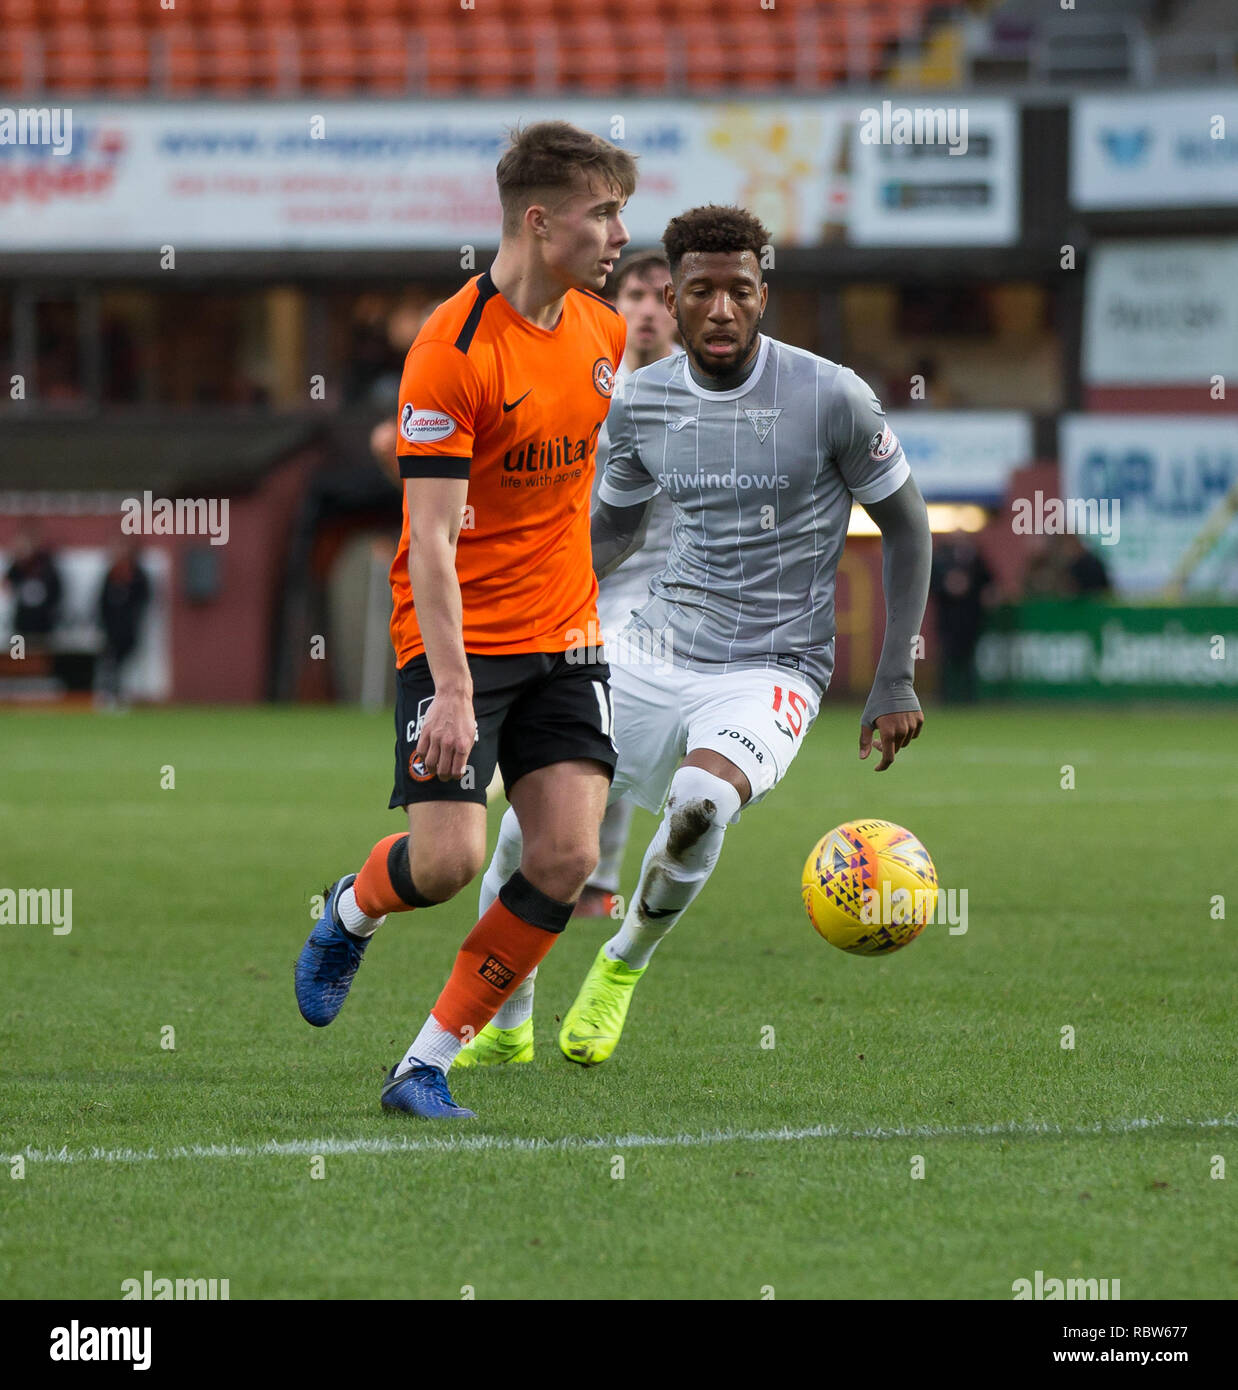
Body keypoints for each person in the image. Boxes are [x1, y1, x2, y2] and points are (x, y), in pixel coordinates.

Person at [463, 204, 933, 1070]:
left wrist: (895, 675)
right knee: (530, 834)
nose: (722, 310)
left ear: (764, 294)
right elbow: (608, 534)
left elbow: (907, 526)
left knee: (700, 805)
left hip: (774, 666)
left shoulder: (832, 394)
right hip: (650, 648)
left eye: (740, 291)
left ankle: (620, 967)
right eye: (701, 291)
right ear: (670, 298)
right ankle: (506, 1015)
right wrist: (523, 615)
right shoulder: (639, 402)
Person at [293, 121, 635, 1120]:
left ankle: (423, 1065)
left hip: (566, 636)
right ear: (539, 220)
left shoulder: (603, 334)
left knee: (564, 859)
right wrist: (448, 689)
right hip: (455, 639)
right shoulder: (450, 353)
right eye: (601, 213)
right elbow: (431, 541)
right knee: (444, 864)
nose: (619, 233)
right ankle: (351, 908)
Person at [575, 249, 681, 920]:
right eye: (635, 294)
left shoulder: (696, 391)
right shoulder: (586, 386)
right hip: (587, 580)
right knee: (596, 727)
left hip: (677, 593)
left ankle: (598, 881)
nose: (646, 308)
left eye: (661, 296)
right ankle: (582, 877)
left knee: (616, 719)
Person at [929, 529, 994, 703]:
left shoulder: (976, 559)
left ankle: (968, 697)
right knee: (947, 657)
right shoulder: (941, 559)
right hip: (948, 619)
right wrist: (947, 586)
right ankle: (946, 696)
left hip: (970, 618)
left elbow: (990, 581)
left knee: (969, 659)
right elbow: (931, 585)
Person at [96, 545, 151, 709]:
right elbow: (102, 603)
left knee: (126, 664)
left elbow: (143, 599)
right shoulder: (111, 574)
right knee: (110, 665)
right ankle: (109, 695)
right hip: (111, 630)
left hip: (129, 630)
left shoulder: (137, 576)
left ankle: (125, 695)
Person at [4, 530, 63, 653]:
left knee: (40, 660)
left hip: (43, 626)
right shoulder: (17, 567)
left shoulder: (47, 567)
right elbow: (6, 586)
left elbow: (56, 593)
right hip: (21, 626)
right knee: (18, 658)